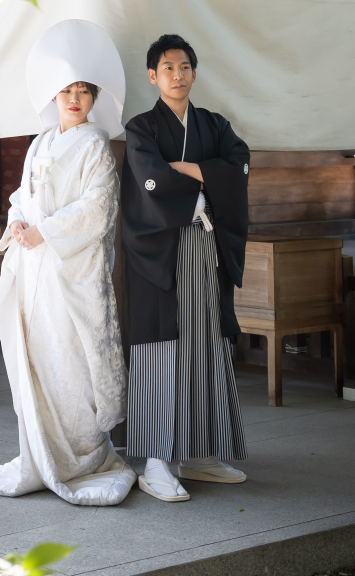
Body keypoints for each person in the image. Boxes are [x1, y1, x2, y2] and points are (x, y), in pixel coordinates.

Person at [0, 19, 136, 507]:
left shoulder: (96, 144)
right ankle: (40, 452)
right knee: (38, 356)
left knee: (70, 361)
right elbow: (22, 196)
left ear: (93, 97)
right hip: (36, 269)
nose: (75, 99)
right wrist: (18, 223)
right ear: (54, 96)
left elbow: (98, 206)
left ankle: (81, 454)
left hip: (70, 273)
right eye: (66, 91)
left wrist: (46, 231)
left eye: (83, 91)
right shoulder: (40, 142)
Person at [121, 33, 250, 503]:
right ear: (153, 76)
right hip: (162, 252)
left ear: (194, 73)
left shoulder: (214, 124)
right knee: (163, 351)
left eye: (185, 67)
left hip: (207, 249)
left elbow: (240, 164)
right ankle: (156, 461)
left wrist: (194, 169)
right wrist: (208, 176)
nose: (178, 75)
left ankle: (199, 453)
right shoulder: (141, 129)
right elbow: (150, 181)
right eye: (168, 68)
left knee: (206, 345)